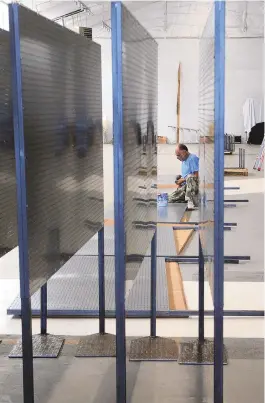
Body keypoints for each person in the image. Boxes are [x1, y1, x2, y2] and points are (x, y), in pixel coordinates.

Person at [168, 143, 199, 209]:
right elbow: (185, 175)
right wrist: (180, 182)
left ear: (184, 152)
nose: (177, 158)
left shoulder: (193, 158)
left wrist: (183, 179)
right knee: (170, 199)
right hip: (185, 186)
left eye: (178, 155)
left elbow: (196, 176)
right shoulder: (184, 160)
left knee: (191, 177)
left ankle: (190, 200)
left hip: (192, 187)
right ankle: (184, 198)